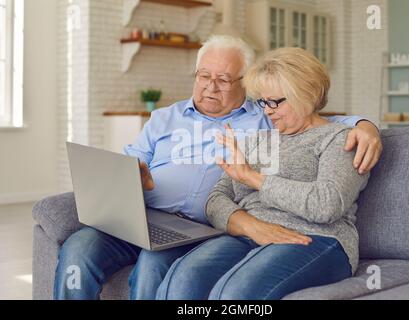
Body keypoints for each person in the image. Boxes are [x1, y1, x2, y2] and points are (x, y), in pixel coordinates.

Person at [54, 36, 381, 300]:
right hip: (143, 216)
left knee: (158, 268)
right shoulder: (165, 118)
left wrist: (366, 125)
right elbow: (221, 192)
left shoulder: (259, 122)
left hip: (197, 231)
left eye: (223, 79)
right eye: (204, 76)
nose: (211, 87)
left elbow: (317, 126)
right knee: (79, 248)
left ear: (244, 85)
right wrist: (129, 176)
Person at [155, 47, 370, 300]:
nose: (267, 111)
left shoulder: (339, 139)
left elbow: (326, 205)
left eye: (275, 102)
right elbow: (215, 199)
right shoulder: (258, 141)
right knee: (184, 275)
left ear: (307, 94)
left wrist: (253, 178)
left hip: (317, 238)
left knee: (235, 293)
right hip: (249, 234)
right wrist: (250, 225)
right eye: (263, 101)